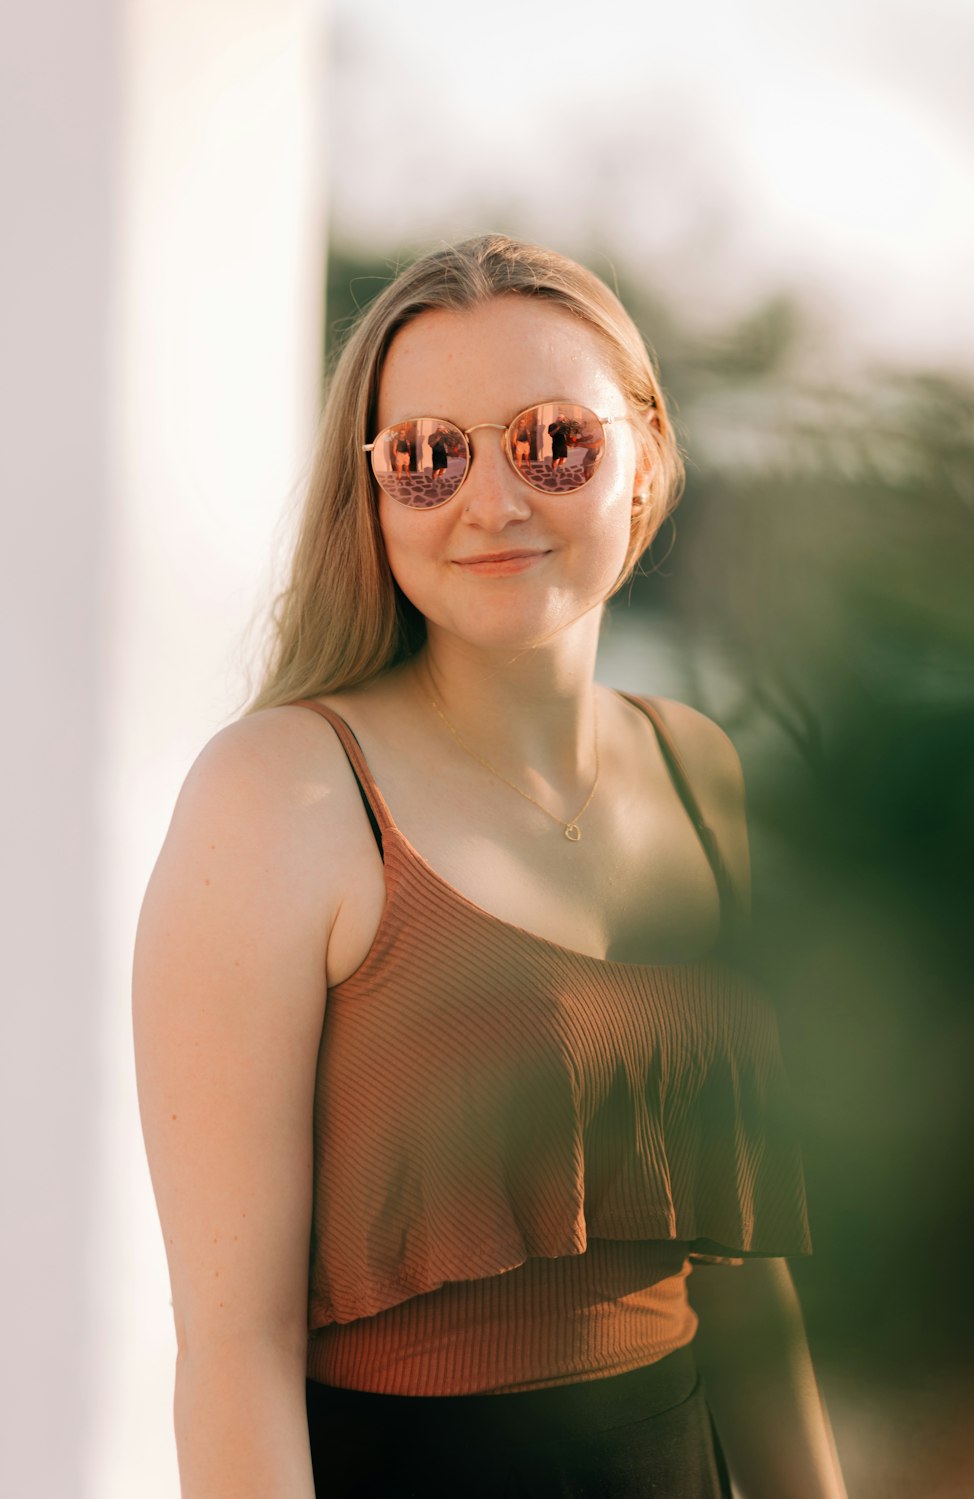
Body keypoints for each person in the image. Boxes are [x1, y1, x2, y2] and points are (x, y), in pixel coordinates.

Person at [133, 234, 849, 1498]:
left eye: (551, 442)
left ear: (643, 458)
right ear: (371, 492)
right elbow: (231, 1351)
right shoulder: (280, 797)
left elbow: (744, 1276)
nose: (494, 500)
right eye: (426, 455)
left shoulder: (700, 770)